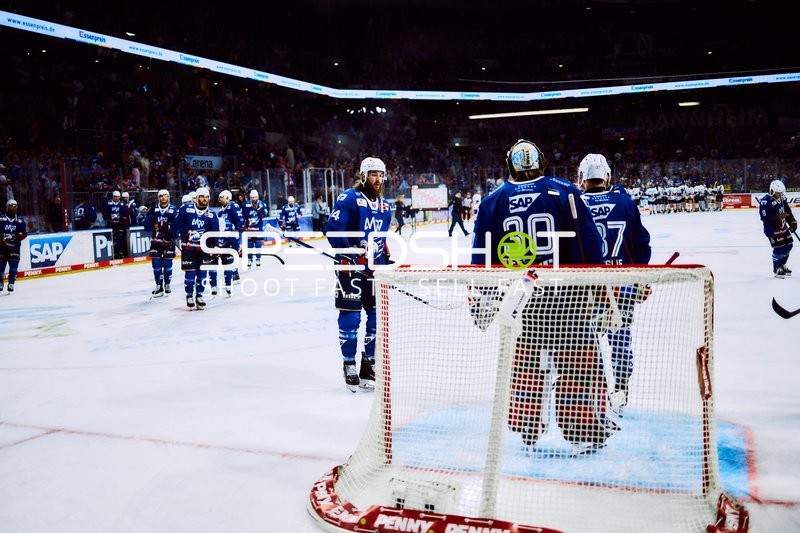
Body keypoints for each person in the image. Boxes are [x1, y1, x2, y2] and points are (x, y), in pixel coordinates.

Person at [470, 139, 606, 451]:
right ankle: (582, 433)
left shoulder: (493, 201)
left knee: (526, 363)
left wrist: (482, 294)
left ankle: (527, 431)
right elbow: (588, 241)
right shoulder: (564, 190)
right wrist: (597, 284)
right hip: (566, 295)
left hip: (521, 298)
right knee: (577, 365)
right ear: (541, 161)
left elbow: (482, 255)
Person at [579, 153, 652, 417]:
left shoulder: (575, 202)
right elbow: (641, 244)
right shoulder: (624, 200)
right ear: (607, 175)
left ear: (582, 178)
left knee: (585, 344)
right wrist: (640, 278)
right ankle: (620, 391)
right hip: (622, 285)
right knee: (620, 341)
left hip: (586, 288)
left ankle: (592, 396)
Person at [326, 156, 393, 392]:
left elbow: (381, 240)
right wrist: (348, 252)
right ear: (363, 175)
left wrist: (386, 260)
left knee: (376, 318)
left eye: (381, 174)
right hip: (350, 268)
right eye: (374, 174)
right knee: (352, 317)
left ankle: (368, 363)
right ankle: (349, 364)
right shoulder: (349, 198)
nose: (378, 179)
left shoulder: (386, 206)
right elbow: (333, 230)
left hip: (374, 270)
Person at [174, 187, 220, 309]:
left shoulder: (211, 215)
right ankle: (189, 295)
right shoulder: (186, 209)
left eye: (206, 197)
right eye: (202, 197)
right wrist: (172, 236)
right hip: (188, 248)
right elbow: (176, 224)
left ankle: (199, 295)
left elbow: (215, 233)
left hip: (203, 249)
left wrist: (213, 247)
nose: (205, 199)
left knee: (202, 274)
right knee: (190, 273)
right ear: (197, 198)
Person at [143, 189, 179, 297]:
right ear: (158, 198)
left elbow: (177, 225)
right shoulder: (153, 209)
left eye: (165, 196)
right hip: (156, 241)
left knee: (168, 264)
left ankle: (167, 284)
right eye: (161, 196)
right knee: (156, 265)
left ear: (169, 197)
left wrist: (170, 230)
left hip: (169, 241)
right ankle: (158, 286)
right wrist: (152, 225)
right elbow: (146, 225)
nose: (163, 198)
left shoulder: (173, 209)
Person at [759, 179, 796, 278]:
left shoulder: (782, 198)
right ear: (772, 191)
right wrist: (778, 217)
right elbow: (764, 218)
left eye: (780, 193)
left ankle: (782, 264)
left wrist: (792, 221)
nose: (779, 195)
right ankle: (777, 268)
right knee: (779, 249)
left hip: (783, 226)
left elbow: (787, 210)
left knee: (789, 246)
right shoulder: (765, 201)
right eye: (777, 193)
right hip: (772, 229)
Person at [210, 189, 244, 296]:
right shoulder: (221, 210)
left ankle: (235, 273)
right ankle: (234, 272)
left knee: (232, 253)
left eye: (221, 197)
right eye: (219, 198)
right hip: (224, 237)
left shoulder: (233, 205)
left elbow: (239, 219)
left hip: (232, 234)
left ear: (228, 197)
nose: (219, 199)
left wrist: (237, 231)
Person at [0, 199, 27, 293]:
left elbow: (24, 233)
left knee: (14, 266)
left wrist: (21, 236)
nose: (13, 207)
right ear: (7, 207)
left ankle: (11, 283)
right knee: (0, 266)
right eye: (11, 205)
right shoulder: (1, 218)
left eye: (15, 206)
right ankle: (0, 282)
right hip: (1, 247)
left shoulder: (20, 220)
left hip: (14, 247)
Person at [241, 189, 269, 267]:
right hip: (249, 228)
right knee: (249, 244)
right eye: (252, 197)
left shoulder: (262, 204)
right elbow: (242, 216)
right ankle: (250, 259)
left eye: (255, 197)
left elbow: (265, 214)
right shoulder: (245, 204)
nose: (253, 199)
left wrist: (259, 209)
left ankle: (258, 259)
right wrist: (242, 225)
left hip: (258, 228)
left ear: (257, 197)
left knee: (258, 244)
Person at [104, 190, 130, 258]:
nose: (116, 198)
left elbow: (125, 213)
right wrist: (107, 218)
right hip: (110, 224)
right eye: (115, 196)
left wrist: (123, 220)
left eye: (118, 197)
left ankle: (120, 252)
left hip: (119, 224)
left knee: (120, 239)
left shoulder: (122, 203)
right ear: (112, 196)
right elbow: (105, 213)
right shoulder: (108, 203)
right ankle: (111, 252)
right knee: (110, 238)